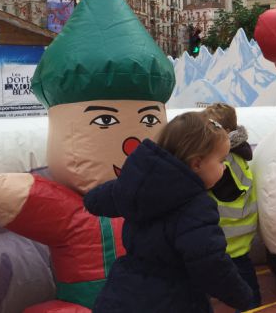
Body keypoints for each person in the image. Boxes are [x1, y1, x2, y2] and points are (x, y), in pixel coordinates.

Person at [83, 112, 254, 312]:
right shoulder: (196, 206)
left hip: (122, 293)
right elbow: (210, 264)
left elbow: (94, 201)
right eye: (221, 160)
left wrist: (125, 184)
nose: (224, 167)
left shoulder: (136, 186)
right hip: (173, 299)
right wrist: (242, 295)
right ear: (197, 163)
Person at [203, 103, 261, 308]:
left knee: (239, 274)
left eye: (209, 130)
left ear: (225, 132)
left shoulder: (225, 161)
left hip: (229, 236)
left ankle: (251, 304)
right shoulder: (236, 153)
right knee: (240, 271)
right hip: (235, 234)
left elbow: (210, 184)